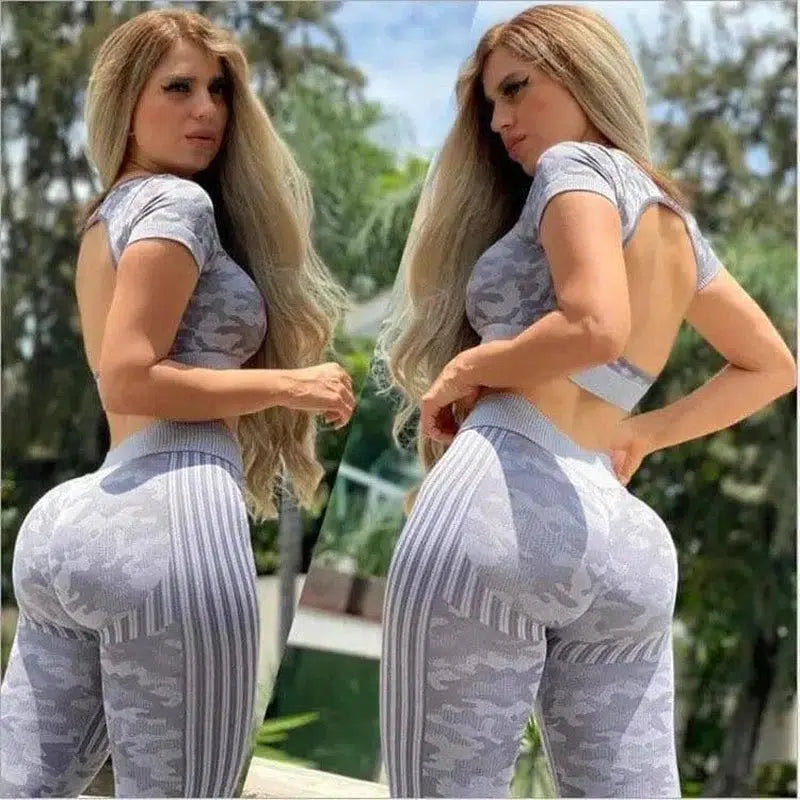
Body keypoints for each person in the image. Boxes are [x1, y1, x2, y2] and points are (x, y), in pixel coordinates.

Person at [374, 4, 796, 798]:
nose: (499, 121)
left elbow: (595, 326)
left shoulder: (573, 166)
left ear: (581, 73)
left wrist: (470, 367)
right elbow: (771, 366)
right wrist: (641, 435)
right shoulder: (675, 224)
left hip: (504, 494)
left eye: (516, 88)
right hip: (621, 536)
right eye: (490, 103)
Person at [0, 8, 354, 798]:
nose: (207, 110)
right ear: (126, 98)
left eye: (219, 90)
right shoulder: (177, 205)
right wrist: (292, 384)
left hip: (75, 524)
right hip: (173, 512)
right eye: (179, 88)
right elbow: (129, 377)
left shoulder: (107, 215)